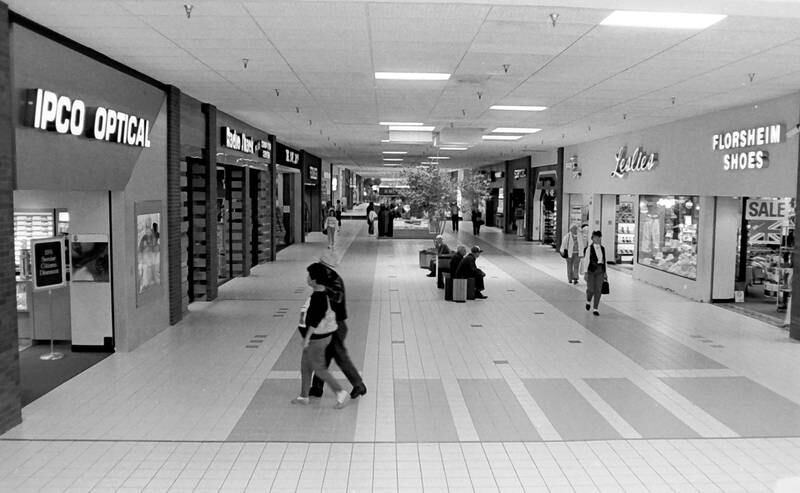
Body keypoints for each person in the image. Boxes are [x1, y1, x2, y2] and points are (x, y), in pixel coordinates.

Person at [309, 256, 368, 400]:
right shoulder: (329, 279)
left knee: (340, 356)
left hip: (336, 326)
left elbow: (337, 299)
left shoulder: (333, 282)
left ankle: (359, 385)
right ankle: (317, 386)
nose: (309, 279)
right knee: (324, 355)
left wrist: (323, 292)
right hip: (331, 324)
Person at [291, 263, 349, 408]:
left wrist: (307, 338)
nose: (307, 278)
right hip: (316, 338)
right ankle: (303, 396)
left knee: (319, 368)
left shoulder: (319, 298)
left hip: (316, 339)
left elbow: (314, 320)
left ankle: (340, 392)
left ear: (315, 280)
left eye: (309, 276)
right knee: (305, 366)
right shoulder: (319, 293)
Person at [581, 230, 607, 316]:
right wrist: (585, 273)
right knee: (591, 289)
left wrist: (605, 272)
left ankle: (596, 308)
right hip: (591, 271)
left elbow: (604, 261)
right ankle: (588, 300)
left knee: (598, 290)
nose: (598, 239)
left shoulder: (603, 248)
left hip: (600, 271)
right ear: (592, 238)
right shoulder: (589, 249)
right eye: (596, 237)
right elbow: (586, 260)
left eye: (599, 237)